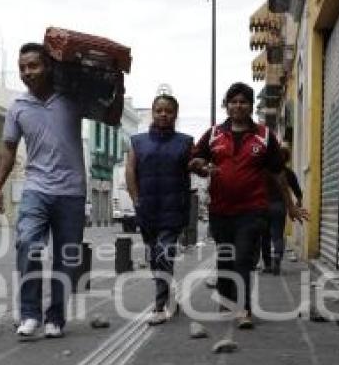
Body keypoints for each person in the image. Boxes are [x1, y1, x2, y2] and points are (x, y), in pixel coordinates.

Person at [191, 82, 307, 329]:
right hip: (220, 210)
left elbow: (278, 175)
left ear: (250, 105)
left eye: (243, 101)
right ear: (227, 104)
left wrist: (291, 206)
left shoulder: (265, 136)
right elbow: (196, 158)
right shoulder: (213, 134)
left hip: (252, 209)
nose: (238, 106)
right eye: (233, 101)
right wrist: (202, 166)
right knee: (225, 256)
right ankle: (225, 297)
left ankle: (243, 308)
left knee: (243, 257)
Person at [0, 43, 86, 339]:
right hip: (36, 187)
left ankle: (55, 316)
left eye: (33, 66)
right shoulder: (18, 108)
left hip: (72, 190)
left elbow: (108, 110)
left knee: (66, 257)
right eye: (22, 68)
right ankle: (30, 313)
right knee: (28, 244)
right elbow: (8, 150)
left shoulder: (71, 99)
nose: (27, 72)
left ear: (48, 66)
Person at [125, 94, 193, 325]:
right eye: (159, 110)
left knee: (164, 252)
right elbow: (130, 171)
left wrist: (204, 168)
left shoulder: (185, 142)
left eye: (169, 111)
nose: (164, 114)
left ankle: (160, 305)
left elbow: (195, 168)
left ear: (175, 114)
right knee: (155, 258)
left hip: (173, 209)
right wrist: (136, 200)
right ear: (152, 113)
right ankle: (170, 295)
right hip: (148, 209)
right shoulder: (138, 141)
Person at [260, 146, 303, 275]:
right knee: (277, 235)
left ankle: (267, 265)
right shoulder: (288, 172)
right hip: (279, 207)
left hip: (263, 207)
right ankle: (277, 257)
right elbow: (298, 191)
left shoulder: (264, 171)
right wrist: (298, 203)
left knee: (265, 237)